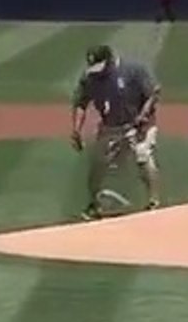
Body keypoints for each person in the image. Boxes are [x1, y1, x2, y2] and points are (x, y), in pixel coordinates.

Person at [69, 45, 162, 220]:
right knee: (97, 166)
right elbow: (81, 103)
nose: (96, 71)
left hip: (140, 124)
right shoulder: (90, 77)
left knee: (143, 156)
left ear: (110, 61)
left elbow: (153, 93)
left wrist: (143, 116)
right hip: (110, 126)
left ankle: (153, 202)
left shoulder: (133, 70)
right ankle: (94, 205)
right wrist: (76, 130)